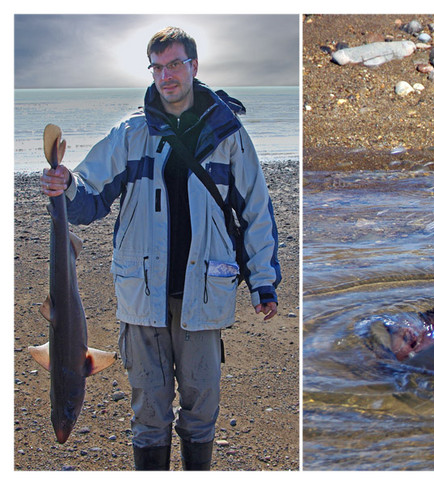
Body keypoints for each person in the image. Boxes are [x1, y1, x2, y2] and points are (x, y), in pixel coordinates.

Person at [39, 26, 281, 471]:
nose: (166, 75)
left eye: (175, 64)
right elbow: (89, 198)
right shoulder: (130, 134)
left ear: (193, 66)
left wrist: (263, 282)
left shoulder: (228, 135)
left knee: (201, 410)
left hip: (204, 295)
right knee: (148, 415)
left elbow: (256, 212)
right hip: (141, 297)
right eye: (158, 67)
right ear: (151, 71)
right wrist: (66, 183)